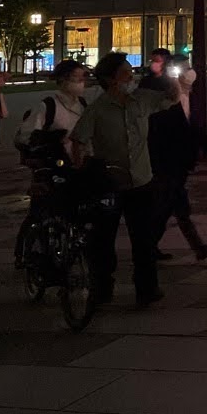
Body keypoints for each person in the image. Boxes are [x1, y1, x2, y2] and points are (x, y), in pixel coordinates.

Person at [70, 52, 172, 307]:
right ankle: (103, 288)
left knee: (144, 240)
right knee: (103, 240)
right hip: (109, 184)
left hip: (141, 180)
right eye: (125, 72)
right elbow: (78, 140)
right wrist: (82, 168)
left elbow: (171, 98)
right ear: (111, 79)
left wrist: (168, 76)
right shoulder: (97, 109)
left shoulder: (142, 100)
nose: (131, 76)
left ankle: (146, 289)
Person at [13, 60, 89, 266]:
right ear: (63, 80)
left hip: (77, 164)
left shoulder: (82, 105)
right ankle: (24, 252)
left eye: (84, 78)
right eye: (78, 78)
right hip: (51, 164)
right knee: (41, 208)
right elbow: (25, 136)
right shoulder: (48, 105)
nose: (82, 83)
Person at [149, 67, 207, 263]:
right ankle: (196, 247)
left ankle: (153, 247)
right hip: (168, 164)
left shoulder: (185, 101)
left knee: (170, 208)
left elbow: (195, 128)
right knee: (172, 207)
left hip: (177, 163)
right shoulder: (164, 107)